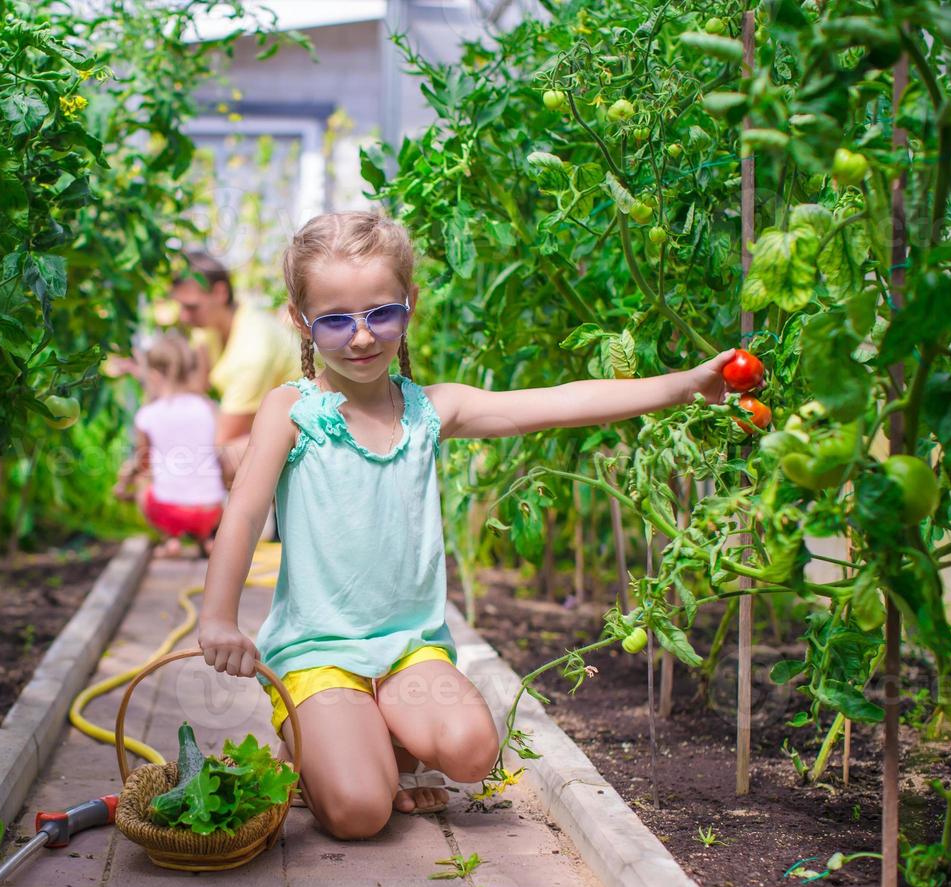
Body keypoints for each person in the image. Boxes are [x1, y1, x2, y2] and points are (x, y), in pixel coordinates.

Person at [195, 210, 740, 839]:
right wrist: (217, 617)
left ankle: (367, 741)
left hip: (407, 649)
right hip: (318, 652)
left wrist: (686, 387)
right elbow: (244, 513)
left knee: (473, 753)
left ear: (410, 304)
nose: (363, 336)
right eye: (336, 320)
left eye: (382, 313)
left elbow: (560, 403)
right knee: (360, 814)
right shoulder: (292, 410)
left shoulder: (432, 410)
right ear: (301, 321)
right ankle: (318, 747)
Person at [170, 250, 300, 488]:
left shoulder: (252, 350)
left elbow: (224, 439)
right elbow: (197, 388)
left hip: (303, 435)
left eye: (191, 307)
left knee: (217, 461)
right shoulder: (211, 325)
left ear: (220, 293)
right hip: (264, 425)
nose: (184, 317)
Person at [114, 333, 226, 557]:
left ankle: (170, 538)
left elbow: (143, 462)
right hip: (211, 510)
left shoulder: (148, 415)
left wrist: (122, 483)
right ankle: (206, 538)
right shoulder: (207, 407)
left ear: (154, 375)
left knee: (142, 479)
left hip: (168, 510)